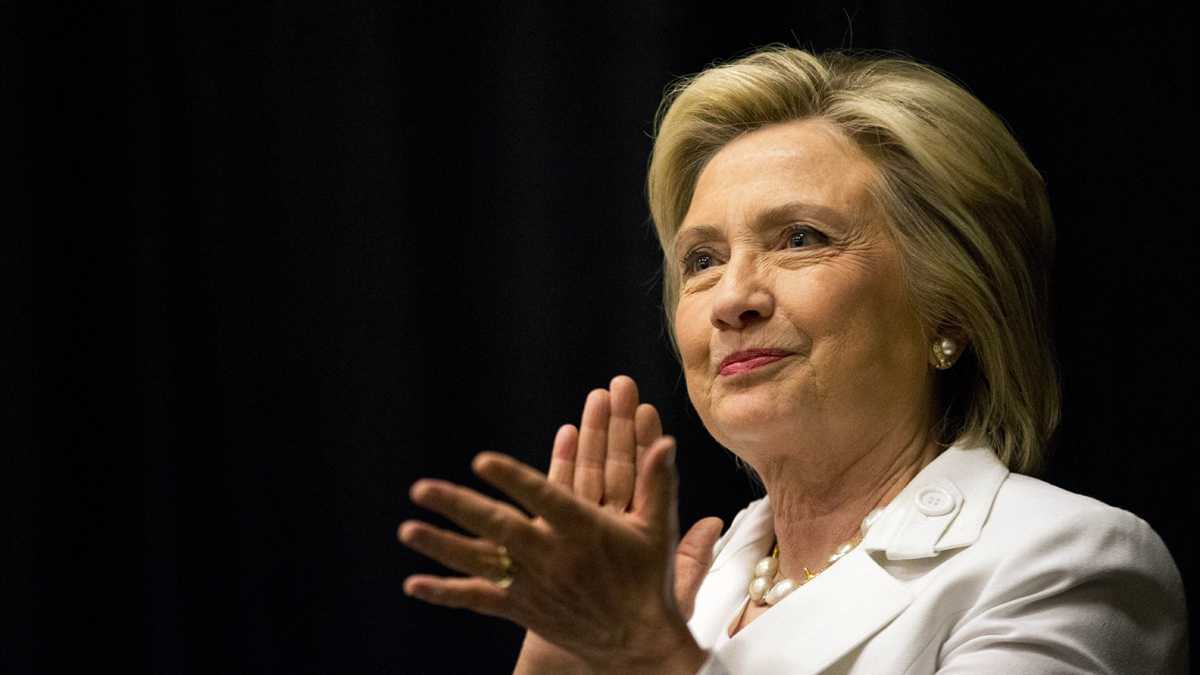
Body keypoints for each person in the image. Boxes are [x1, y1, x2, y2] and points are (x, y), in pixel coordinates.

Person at [397, 47, 1188, 673]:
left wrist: (642, 658)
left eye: (800, 239)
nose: (730, 297)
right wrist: (559, 665)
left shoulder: (1067, 561)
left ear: (951, 304)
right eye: (702, 258)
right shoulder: (685, 592)